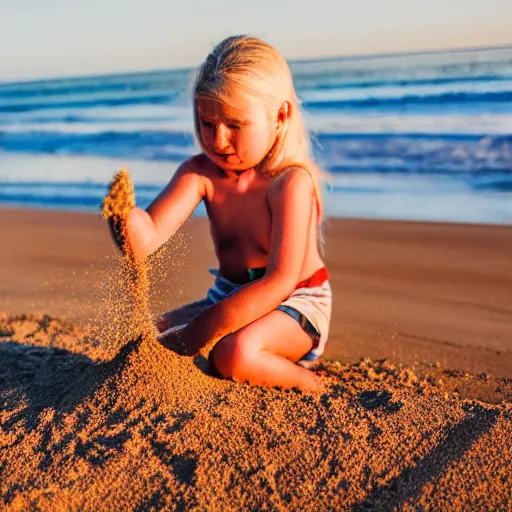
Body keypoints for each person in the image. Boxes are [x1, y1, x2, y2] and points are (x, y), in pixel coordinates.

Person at [118, 35, 332, 391]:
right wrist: (125, 219)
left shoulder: (290, 183)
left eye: (234, 125)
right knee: (152, 337)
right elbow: (149, 235)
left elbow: (279, 282)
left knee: (231, 355)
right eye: (207, 123)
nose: (218, 140)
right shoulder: (200, 173)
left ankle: (312, 384)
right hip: (229, 296)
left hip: (296, 304)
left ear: (279, 116)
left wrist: (202, 329)